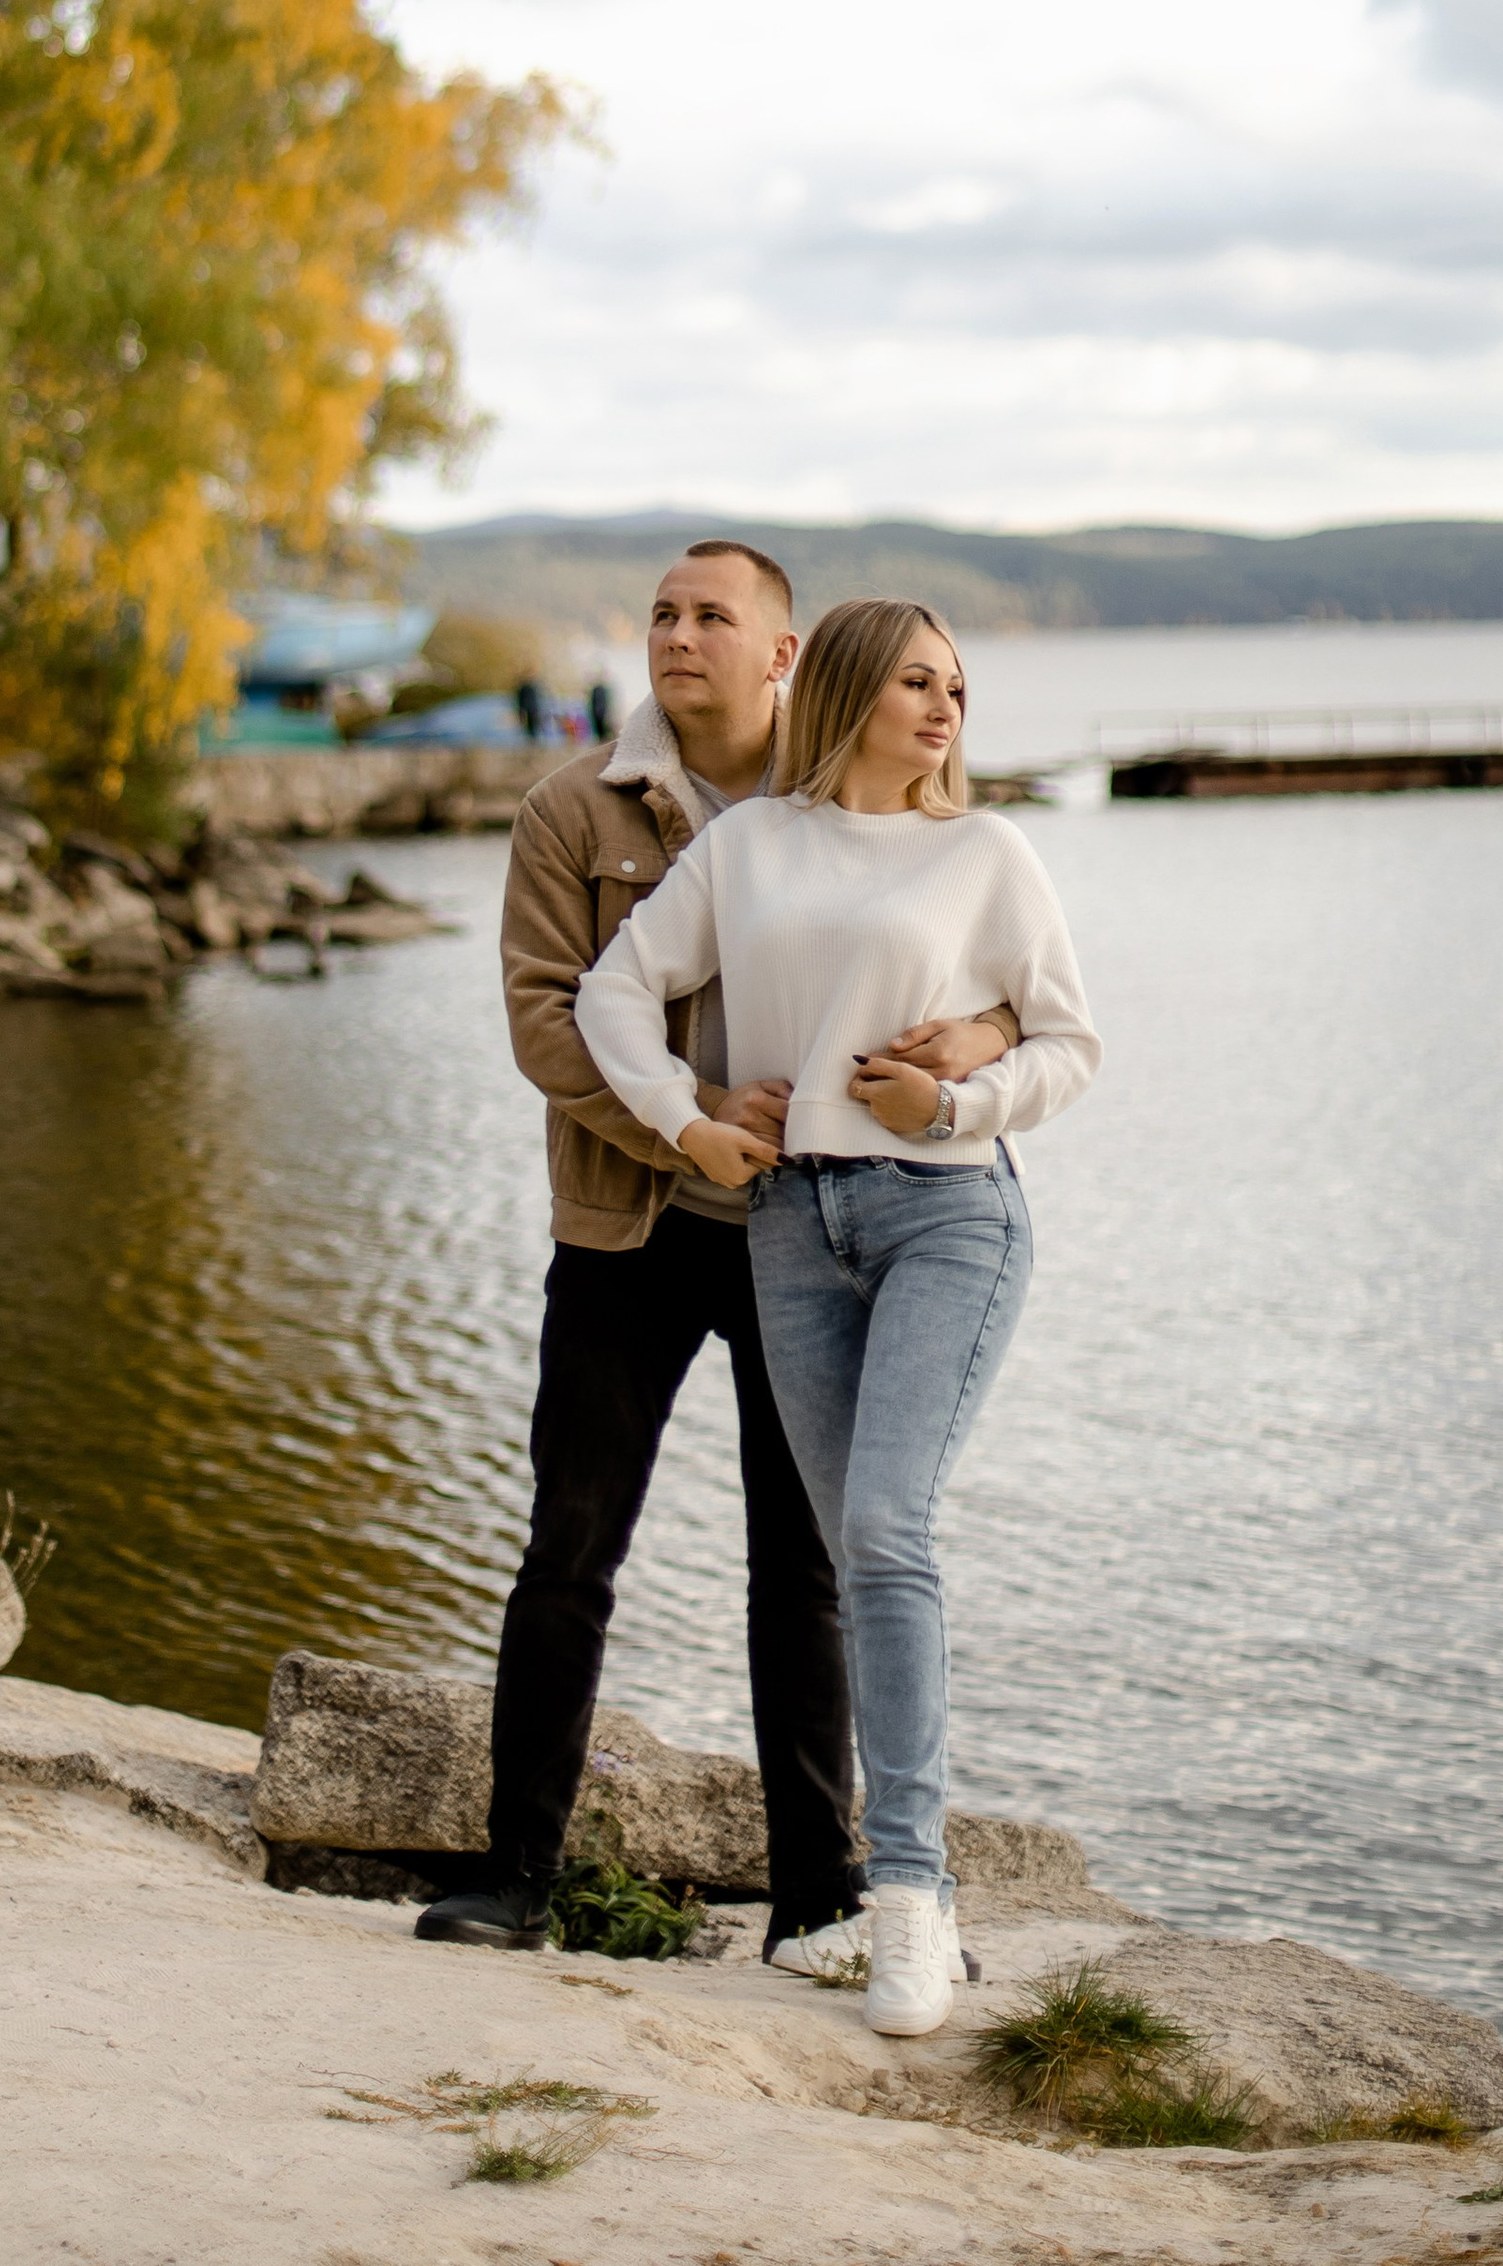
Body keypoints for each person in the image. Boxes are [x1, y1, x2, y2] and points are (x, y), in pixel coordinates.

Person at [413, 545, 1020, 1960]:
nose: (677, 638)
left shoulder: (856, 811)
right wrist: (687, 1125)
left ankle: (818, 1898)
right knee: (570, 1547)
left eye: (710, 617)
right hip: (628, 1225)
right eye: (662, 616)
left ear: (786, 655)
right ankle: (517, 1877)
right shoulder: (574, 810)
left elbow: (991, 986)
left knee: (804, 1567)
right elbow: (548, 1023)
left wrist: (976, 1048)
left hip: (812, 1236)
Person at [574, 596, 1100, 2038]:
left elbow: (1072, 1041)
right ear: (857, 688)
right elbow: (617, 993)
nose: (946, 709)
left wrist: (963, 1096)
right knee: (843, 1547)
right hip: (792, 1226)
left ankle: (911, 1904)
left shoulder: (988, 851)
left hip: (950, 1214)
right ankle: (888, 1891)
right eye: (920, 682)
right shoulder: (746, 847)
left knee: (882, 1531)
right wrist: (685, 1123)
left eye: (960, 687)